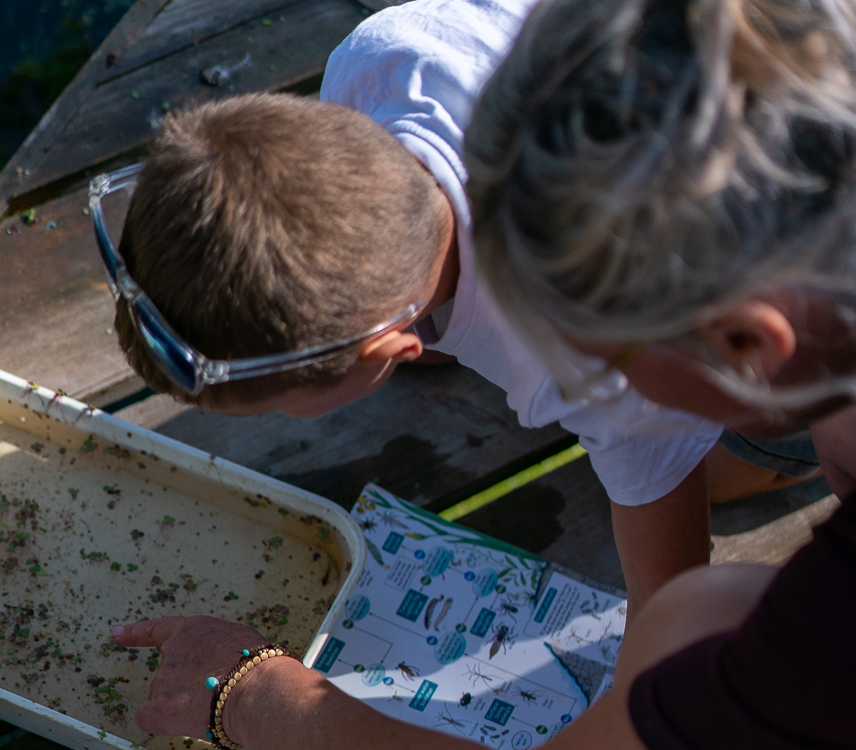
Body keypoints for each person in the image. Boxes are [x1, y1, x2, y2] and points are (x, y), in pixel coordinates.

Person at [101, 0, 856, 747]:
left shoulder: (817, 627)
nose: (547, 335)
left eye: (577, 327)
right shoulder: (393, 57)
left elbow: (670, 599)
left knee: (694, 534)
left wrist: (267, 703)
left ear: (749, 346)